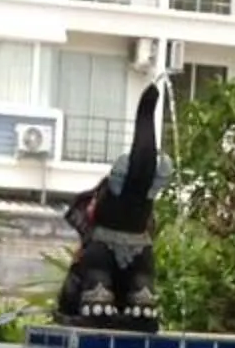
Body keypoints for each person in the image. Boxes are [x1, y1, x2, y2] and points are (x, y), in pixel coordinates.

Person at [54, 82, 163, 332]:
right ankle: (98, 299)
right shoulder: (95, 243)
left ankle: (138, 304)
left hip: (135, 243)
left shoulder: (143, 241)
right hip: (97, 260)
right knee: (95, 279)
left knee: (142, 283)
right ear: (87, 211)